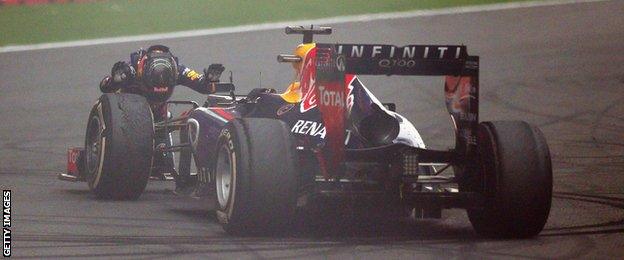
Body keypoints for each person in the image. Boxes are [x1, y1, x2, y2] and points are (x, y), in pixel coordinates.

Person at [99, 44, 224, 192]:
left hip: (158, 117)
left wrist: (211, 79)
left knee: (163, 163)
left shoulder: (178, 70)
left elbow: (204, 86)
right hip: (124, 120)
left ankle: (161, 156)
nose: (161, 79)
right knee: (121, 167)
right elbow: (105, 86)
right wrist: (115, 80)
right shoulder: (131, 69)